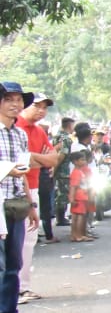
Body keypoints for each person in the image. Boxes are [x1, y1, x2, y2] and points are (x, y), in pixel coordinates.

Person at [0, 82, 39, 313]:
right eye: (9, 99)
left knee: (14, 261)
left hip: (16, 202)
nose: (16, 104)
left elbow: (23, 171)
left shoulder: (20, 134)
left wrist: (31, 205)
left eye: (19, 100)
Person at [16, 93, 59, 301]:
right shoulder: (15, 128)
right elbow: (21, 162)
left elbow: (52, 159)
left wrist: (35, 159)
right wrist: (38, 159)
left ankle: (23, 286)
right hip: (14, 189)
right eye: (37, 106)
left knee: (29, 238)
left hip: (32, 186)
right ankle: (13, 288)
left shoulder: (40, 131)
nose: (41, 110)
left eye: (45, 107)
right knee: (14, 240)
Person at [68, 124, 96, 243]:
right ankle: (78, 235)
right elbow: (74, 186)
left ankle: (76, 235)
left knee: (78, 216)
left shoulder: (81, 148)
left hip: (79, 195)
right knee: (80, 216)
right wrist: (72, 197)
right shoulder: (78, 172)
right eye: (83, 160)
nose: (85, 162)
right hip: (80, 196)